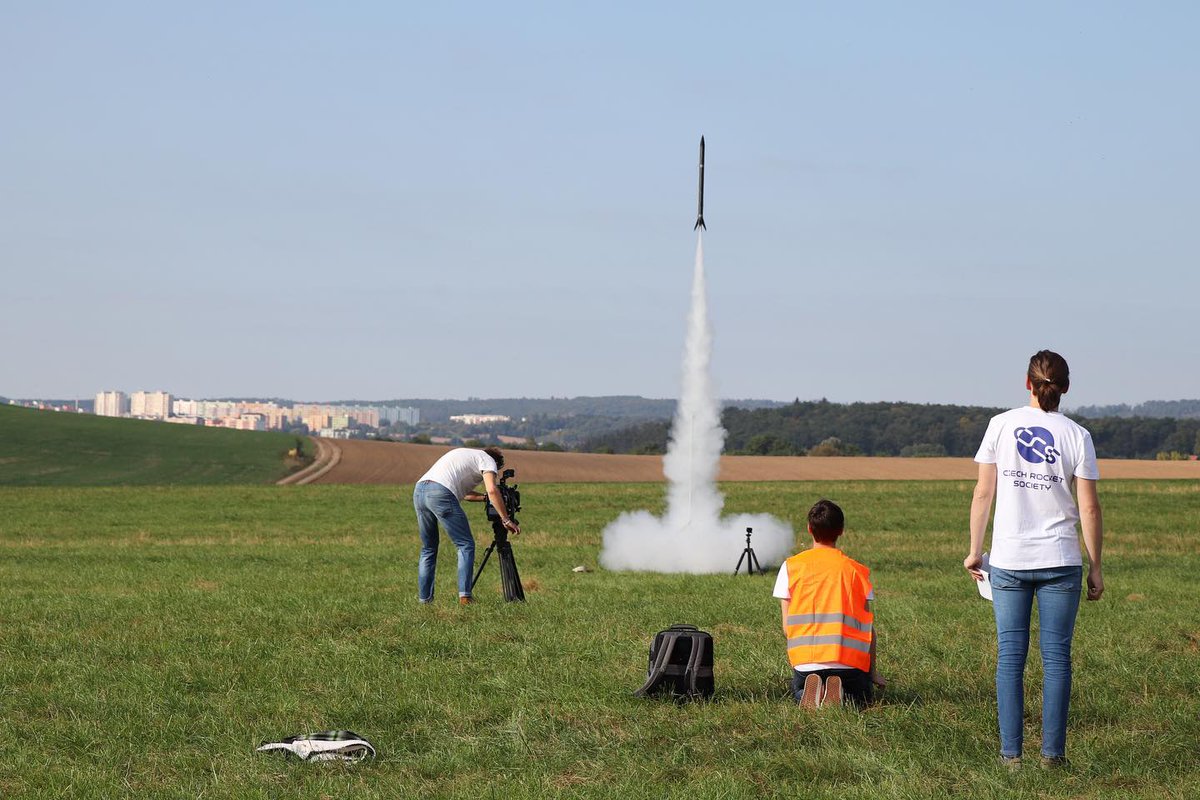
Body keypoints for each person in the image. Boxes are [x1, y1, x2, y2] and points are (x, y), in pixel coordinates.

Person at [965, 349, 1104, 767]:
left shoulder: (1000, 426)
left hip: (1009, 558)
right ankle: (1052, 757)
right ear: (1065, 388)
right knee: (1057, 657)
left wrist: (975, 551)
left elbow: (983, 493)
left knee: (1010, 656)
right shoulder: (1077, 435)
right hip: (1062, 560)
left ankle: (1011, 756)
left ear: (1028, 383)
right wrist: (1095, 564)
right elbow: (1091, 509)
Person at [774, 499, 885, 708]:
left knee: (799, 690)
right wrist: (872, 672)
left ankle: (811, 691)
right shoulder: (856, 571)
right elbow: (868, 630)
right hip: (849, 664)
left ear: (809, 529)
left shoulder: (790, 567)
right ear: (841, 530)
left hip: (806, 663)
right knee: (860, 700)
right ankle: (842, 694)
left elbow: (787, 628)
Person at [413, 446, 520, 605]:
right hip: (441, 493)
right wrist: (505, 519)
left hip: (420, 491)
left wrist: (485, 498)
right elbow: (492, 489)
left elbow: (466, 494)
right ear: (495, 464)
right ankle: (465, 597)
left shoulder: (466, 455)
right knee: (465, 544)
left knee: (428, 548)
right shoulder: (488, 460)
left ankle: (425, 600)